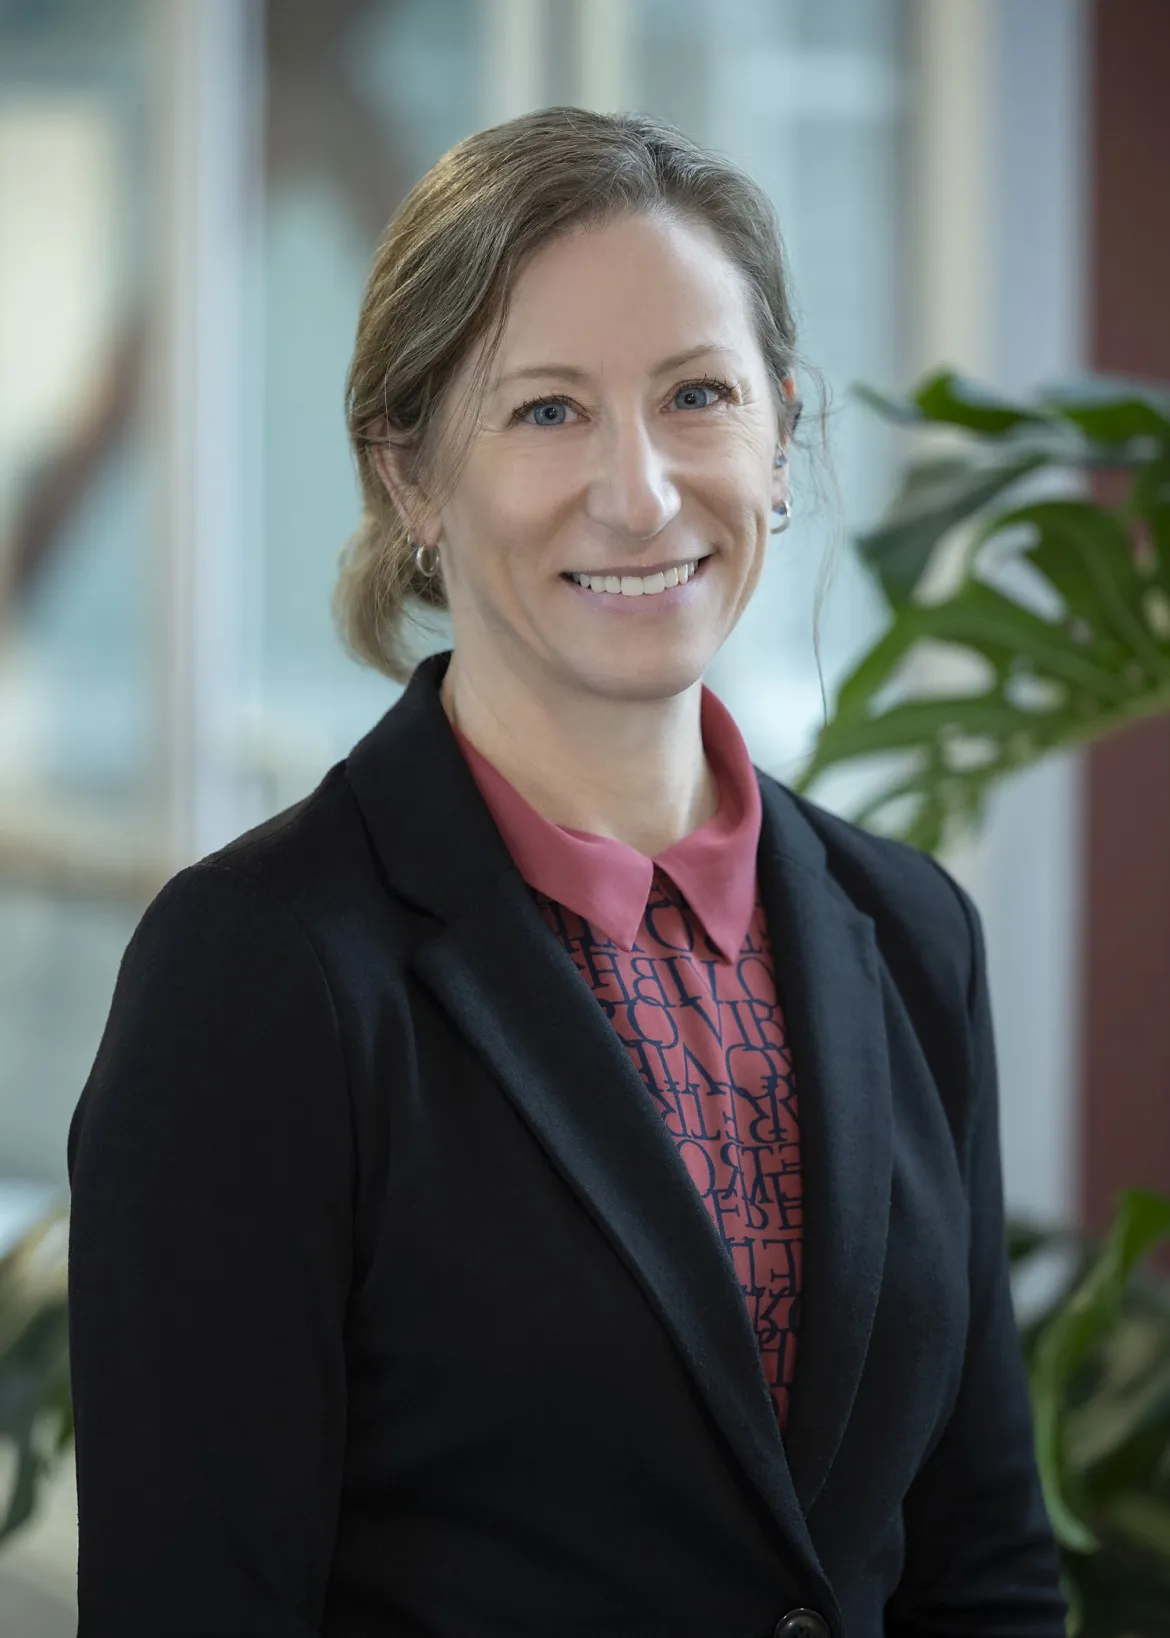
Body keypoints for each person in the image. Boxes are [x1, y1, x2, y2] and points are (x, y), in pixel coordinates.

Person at [66, 106, 1067, 1638]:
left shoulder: (908, 930)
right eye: (547, 411)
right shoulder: (261, 970)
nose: (643, 491)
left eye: (695, 397)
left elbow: (981, 1563)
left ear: (778, 437)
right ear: (406, 474)